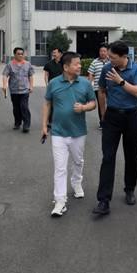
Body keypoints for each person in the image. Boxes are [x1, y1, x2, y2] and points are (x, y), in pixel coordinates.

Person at [92, 41, 137, 216]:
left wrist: (120, 81)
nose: (109, 60)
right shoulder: (107, 68)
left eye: (113, 57)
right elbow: (101, 90)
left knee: (131, 155)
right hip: (112, 116)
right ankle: (103, 200)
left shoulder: (136, 69)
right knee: (108, 157)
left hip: (131, 116)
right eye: (109, 57)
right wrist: (103, 113)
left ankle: (130, 189)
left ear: (124, 56)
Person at [42, 52, 96, 217]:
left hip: (78, 132)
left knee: (78, 161)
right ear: (66, 67)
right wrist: (44, 125)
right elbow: (47, 103)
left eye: (80, 63)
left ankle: (76, 182)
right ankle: (60, 201)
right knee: (60, 168)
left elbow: (93, 103)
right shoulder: (54, 83)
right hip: (58, 132)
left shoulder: (85, 83)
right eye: (76, 64)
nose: (80, 66)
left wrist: (84, 108)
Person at [2, 47, 34, 133]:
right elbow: (5, 75)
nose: (20, 55)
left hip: (25, 90)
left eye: (22, 54)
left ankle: (26, 125)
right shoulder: (10, 64)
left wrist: (31, 86)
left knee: (24, 107)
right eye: (18, 54)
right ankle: (17, 123)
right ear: (14, 55)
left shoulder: (27, 64)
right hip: (14, 90)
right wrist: (4, 85)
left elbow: (30, 75)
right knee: (16, 108)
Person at [87, 43, 110, 129]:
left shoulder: (111, 62)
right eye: (101, 51)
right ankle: (102, 122)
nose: (102, 53)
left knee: (111, 104)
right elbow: (90, 74)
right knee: (101, 105)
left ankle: (110, 122)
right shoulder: (95, 62)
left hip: (110, 87)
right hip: (98, 88)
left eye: (104, 51)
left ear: (107, 52)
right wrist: (90, 85)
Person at [43, 48, 63, 128]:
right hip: (52, 87)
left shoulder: (64, 63)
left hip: (63, 87)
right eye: (53, 52)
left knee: (62, 104)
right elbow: (46, 75)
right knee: (51, 105)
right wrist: (47, 85)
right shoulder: (48, 64)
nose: (53, 54)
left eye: (55, 52)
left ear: (60, 54)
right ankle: (51, 121)